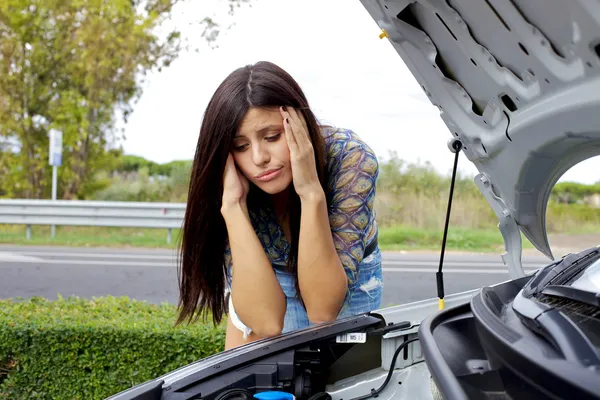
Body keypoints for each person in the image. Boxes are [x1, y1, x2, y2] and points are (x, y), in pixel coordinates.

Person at [176, 61, 382, 350]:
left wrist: (310, 192)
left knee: (342, 380)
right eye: (240, 146)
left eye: (272, 137)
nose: (259, 158)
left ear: (300, 124)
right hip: (262, 272)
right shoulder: (228, 177)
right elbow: (266, 323)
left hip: (342, 272)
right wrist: (233, 206)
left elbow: (323, 312)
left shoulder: (350, 157)